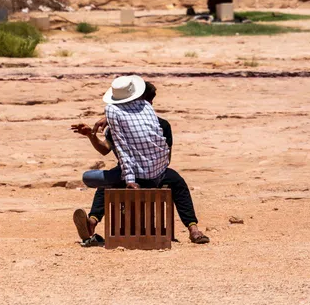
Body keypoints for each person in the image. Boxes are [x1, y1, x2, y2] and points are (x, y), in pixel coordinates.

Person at [72, 76, 209, 245]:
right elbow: (167, 158)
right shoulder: (160, 124)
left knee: (104, 183)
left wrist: (94, 133)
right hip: (157, 173)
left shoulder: (116, 121)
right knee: (179, 184)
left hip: (127, 176)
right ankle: (193, 229)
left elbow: (104, 150)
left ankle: (92, 222)